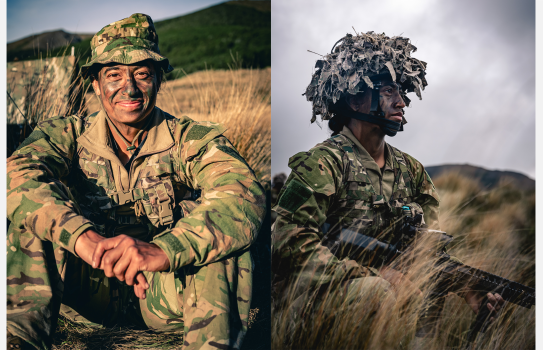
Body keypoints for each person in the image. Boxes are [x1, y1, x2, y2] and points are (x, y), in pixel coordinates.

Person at [7, 13, 266, 350]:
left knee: (220, 240)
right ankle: (17, 342)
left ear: (158, 80)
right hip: (86, 292)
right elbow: (16, 174)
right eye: (114, 75)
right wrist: (85, 240)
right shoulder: (66, 134)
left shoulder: (189, 138)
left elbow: (244, 194)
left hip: (163, 293)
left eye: (142, 74)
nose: (128, 88)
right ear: (96, 85)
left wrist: (163, 249)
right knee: (31, 213)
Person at [271, 31, 503, 345]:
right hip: (312, 304)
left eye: (402, 92)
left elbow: (424, 256)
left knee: (413, 296)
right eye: (388, 91)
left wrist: (464, 288)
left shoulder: (413, 172)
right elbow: (288, 241)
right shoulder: (324, 163)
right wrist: (372, 276)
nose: (402, 102)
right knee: (379, 292)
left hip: (387, 305)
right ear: (355, 99)